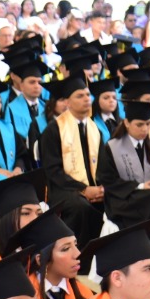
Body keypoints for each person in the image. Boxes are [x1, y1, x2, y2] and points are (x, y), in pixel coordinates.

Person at [39, 77, 106, 246]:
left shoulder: (94, 129)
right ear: (67, 102)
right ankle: (81, 258)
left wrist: (101, 188)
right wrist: (83, 190)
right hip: (63, 189)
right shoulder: (53, 130)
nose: (86, 99)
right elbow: (53, 171)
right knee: (79, 207)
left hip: (93, 187)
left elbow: (104, 165)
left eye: (88, 95)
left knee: (117, 198)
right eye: (80, 96)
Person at [9, 211, 93, 299]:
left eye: (75, 245)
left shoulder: (84, 294)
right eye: (65, 249)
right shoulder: (21, 298)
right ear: (40, 259)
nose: (77, 254)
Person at [99, 100, 150, 229]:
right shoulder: (112, 147)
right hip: (123, 200)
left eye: (148, 124)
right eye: (139, 125)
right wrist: (140, 186)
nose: (145, 129)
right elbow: (106, 179)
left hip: (149, 196)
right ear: (127, 123)